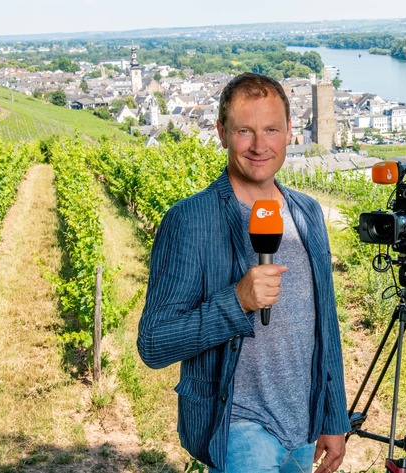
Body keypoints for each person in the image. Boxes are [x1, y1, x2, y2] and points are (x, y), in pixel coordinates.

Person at [137, 72, 350, 473]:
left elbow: (326, 325)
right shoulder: (190, 221)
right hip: (240, 428)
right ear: (221, 133)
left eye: (271, 129)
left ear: (289, 132)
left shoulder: (307, 213)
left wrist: (334, 416)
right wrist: (235, 302)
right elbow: (153, 343)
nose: (259, 145)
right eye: (244, 131)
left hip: (302, 427)